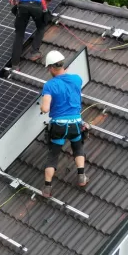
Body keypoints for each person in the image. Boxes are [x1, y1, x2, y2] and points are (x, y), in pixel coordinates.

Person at [40, 50, 86, 198]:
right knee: (77, 147)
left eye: (48, 68)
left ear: (52, 68)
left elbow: (45, 108)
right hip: (75, 123)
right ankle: (81, 176)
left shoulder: (49, 85)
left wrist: (42, 107)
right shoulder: (77, 79)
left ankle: (47, 188)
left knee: (53, 155)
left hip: (59, 126)